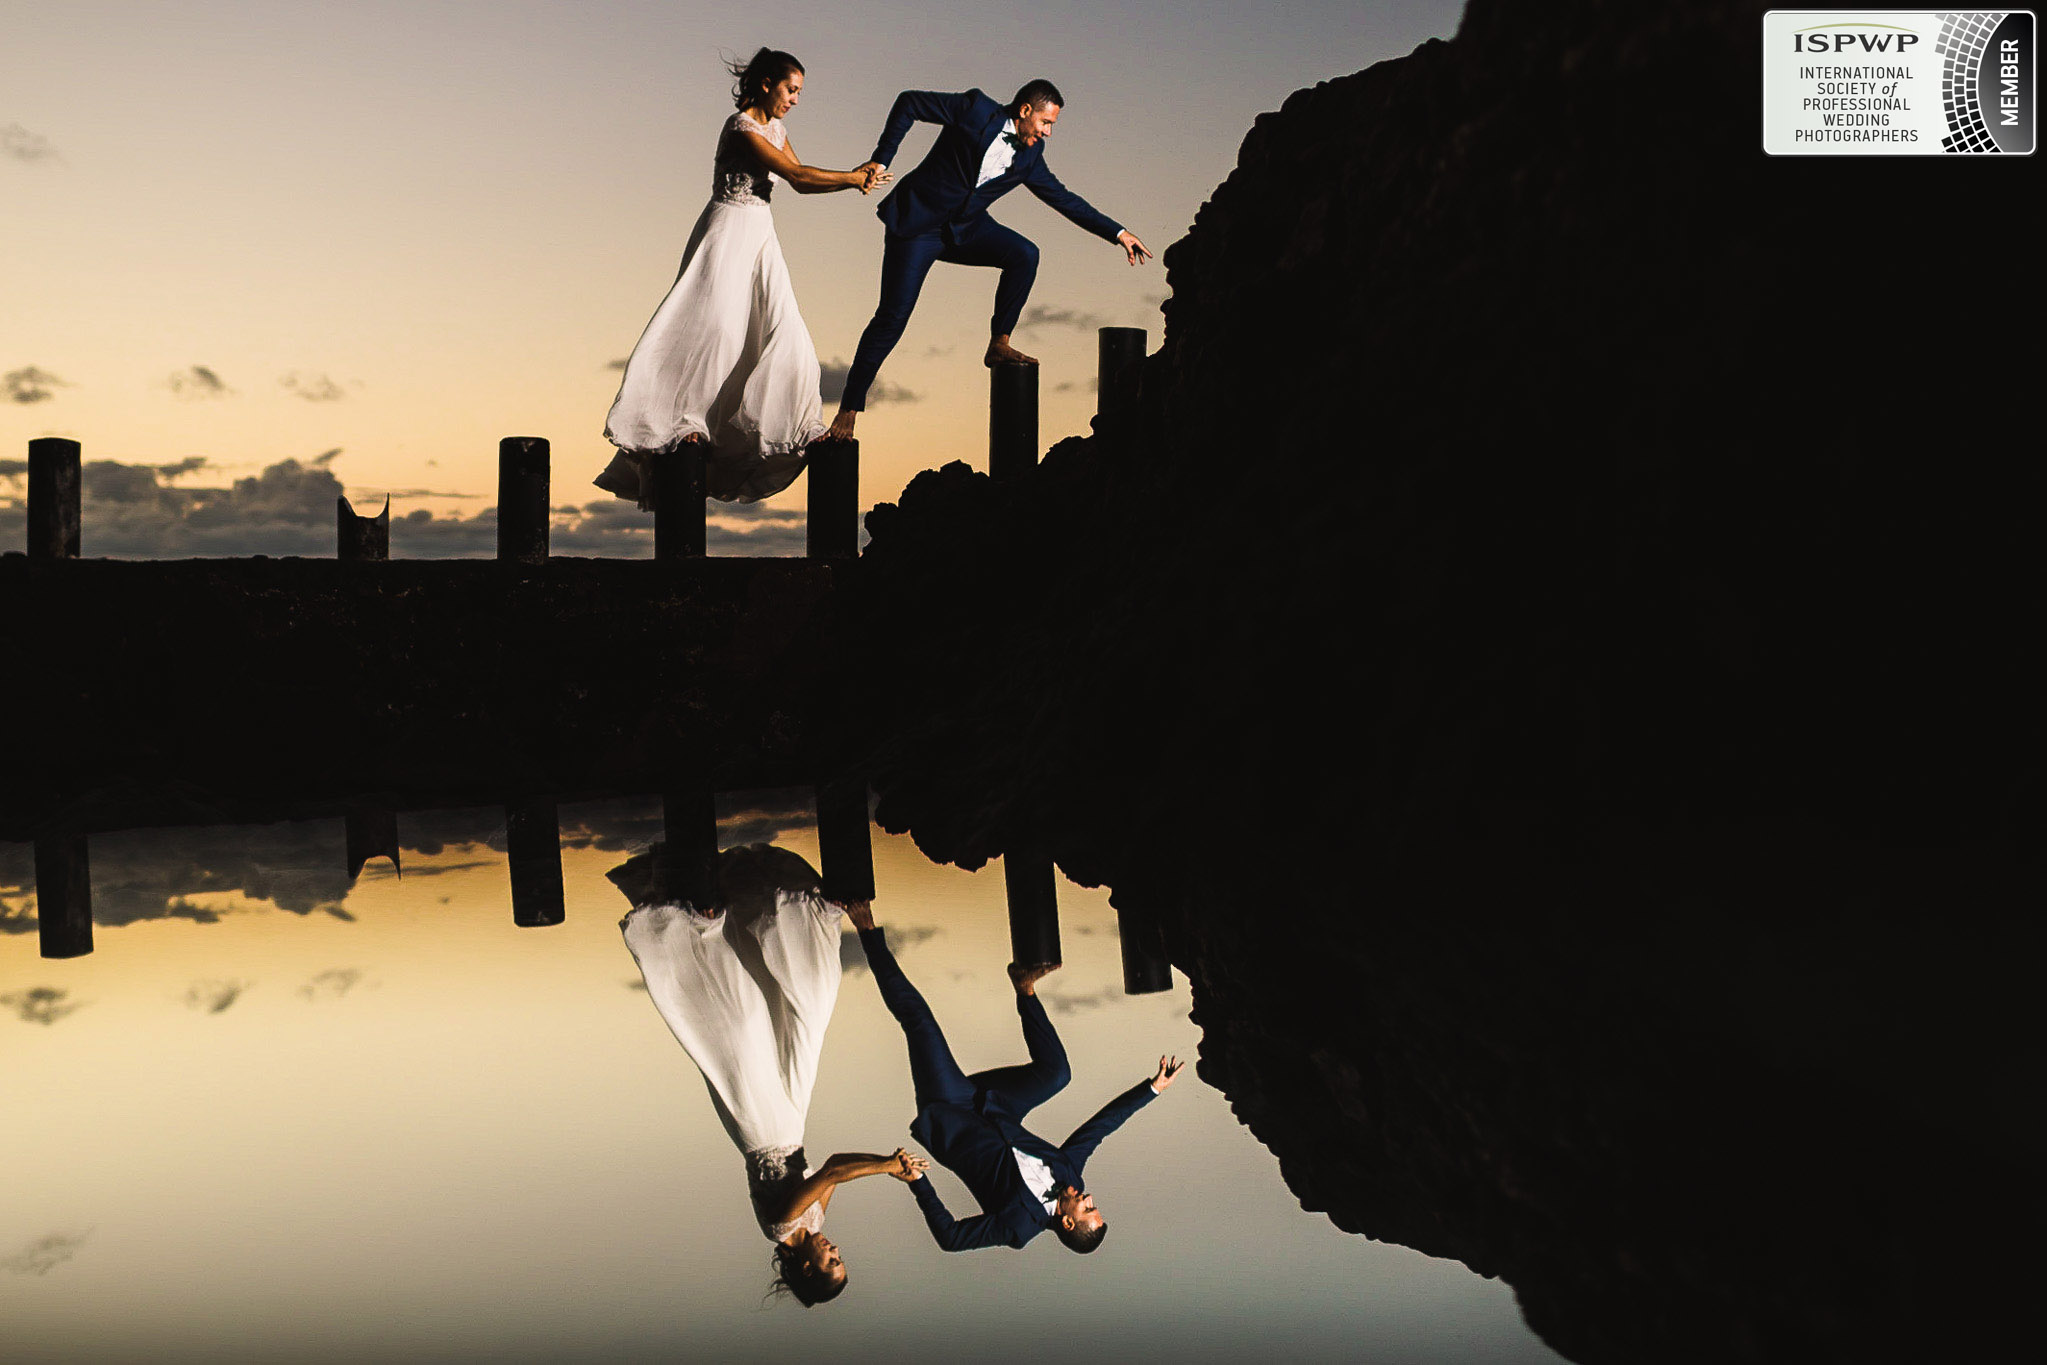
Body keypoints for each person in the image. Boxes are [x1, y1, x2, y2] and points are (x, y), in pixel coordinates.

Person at [614, 841, 925, 1306]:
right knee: (807, 1013)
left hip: (759, 1125)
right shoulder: (813, 1222)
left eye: (832, 1262)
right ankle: (805, 915)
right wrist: (885, 1166)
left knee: (739, 1018)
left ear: (806, 1267)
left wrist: (887, 1168)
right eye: (842, 1258)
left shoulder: (780, 1225)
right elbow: (833, 1171)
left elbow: (836, 1169)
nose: (837, 1251)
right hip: (791, 1123)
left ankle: (693, 925)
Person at [598, 48, 889, 507]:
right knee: (715, 331)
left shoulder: (777, 129)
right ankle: (685, 422)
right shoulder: (741, 127)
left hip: (761, 235)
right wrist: (853, 178)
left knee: (783, 326)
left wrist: (851, 178)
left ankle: (798, 425)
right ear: (767, 84)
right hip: (727, 232)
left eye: (799, 93)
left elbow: (798, 182)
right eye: (791, 90)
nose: (795, 100)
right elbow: (793, 172)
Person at [848, 899, 1183, 1253]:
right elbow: (1099, 1127)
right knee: (1057, 1074)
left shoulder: (1016, 1225)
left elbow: (951, 1238)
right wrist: (1152, 1089)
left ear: (1068, 1222)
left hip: (949, 1110)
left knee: (918, 1021)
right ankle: (1025, 987)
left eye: (1088, 1207)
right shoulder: (1070, 1174)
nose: (1088, 1196)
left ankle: (866, 928)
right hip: (998, 1104)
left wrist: (918, 1182)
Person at [825, 79, 1153, 441]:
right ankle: (849, 409)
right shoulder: (974, 109)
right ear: (1025, 111)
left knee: (1024, 254)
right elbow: (909, 103)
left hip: (964, 230)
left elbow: (1065, 200)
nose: (1047, 133)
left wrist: (1119, 233)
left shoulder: (1030, 157)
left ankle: (999, 343)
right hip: (917, 226)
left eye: (1052, 127)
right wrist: (881, 158)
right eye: (1046, 123)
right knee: (892, 317)